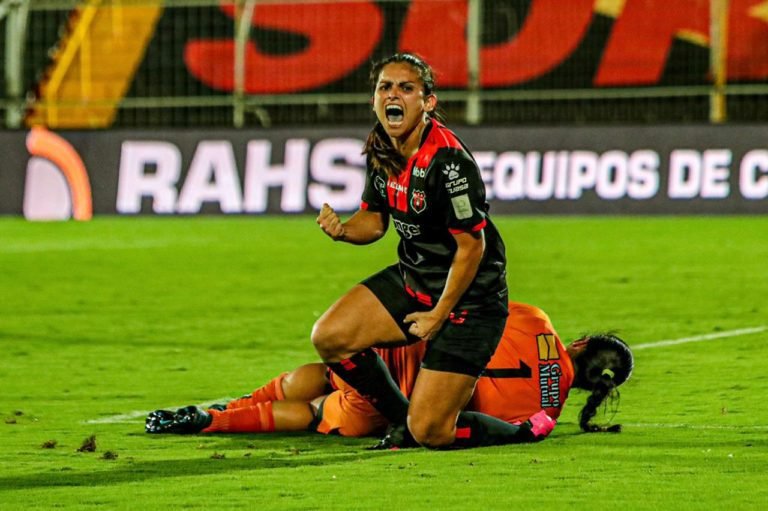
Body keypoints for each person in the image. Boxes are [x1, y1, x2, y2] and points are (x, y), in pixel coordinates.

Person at [311, 52, 515, 449]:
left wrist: (440, 314)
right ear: (374, 99)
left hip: (471, 301)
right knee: (330, 337)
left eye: (407, 88)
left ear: (428, 102)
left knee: (433, 432)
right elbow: (374, 222)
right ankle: (400, 419)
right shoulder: (382, 146)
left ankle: (524, 431)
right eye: (385, 87)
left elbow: (473, 247)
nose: (394, 95)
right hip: (415, 279)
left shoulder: (448, 162)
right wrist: (342, 231)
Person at [146, 302, 634, 444]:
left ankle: (226, 405)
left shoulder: (537, 320)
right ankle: (212, 421)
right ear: (592, 386)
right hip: (402, 408)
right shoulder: (543, 412)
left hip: (401, 351)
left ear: (583, 344)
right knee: (316, 413)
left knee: (326, 373)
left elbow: (473, 309)